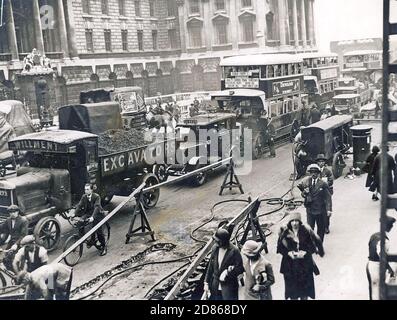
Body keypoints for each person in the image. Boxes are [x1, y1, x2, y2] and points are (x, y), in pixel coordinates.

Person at [277, 211, 324, 300]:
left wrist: (305, 253)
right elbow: (280, 248)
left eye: (296, 221)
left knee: (304, 292)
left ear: (300, 222)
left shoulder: (305, 231)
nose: (294, 223)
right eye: (292, 221)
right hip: (290, 267)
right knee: (293, 293)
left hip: (304, 266)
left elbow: (312, 247)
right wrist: (288, 253)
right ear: (290, 222)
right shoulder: (285, 232)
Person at [204, 228, 244, 300]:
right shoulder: (215, 248)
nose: (215, 243)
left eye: (217, 241)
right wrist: (206, 283)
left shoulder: (234, 251)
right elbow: (210, 266)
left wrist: (227, 272)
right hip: (215, 286)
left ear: (223, 241)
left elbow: (240, 269)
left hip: (229, 286)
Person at [297, 164, 333, 242]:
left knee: (320, 228)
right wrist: (304, 193)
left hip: (320, 210)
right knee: (309, 228)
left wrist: (329, 209)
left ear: (318, 173)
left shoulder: (323, 183)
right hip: (310, 210)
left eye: (315, 172)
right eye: (312, 172)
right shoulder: (306, 182)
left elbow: (328, 197)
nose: (313, 174)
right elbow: (303, 194)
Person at [71, 184, 107, 256]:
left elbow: (97, 207)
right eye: (85, 189)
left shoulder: (96, 196)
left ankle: (104, 247)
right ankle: (85, 239)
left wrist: (93, 217)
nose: (86, 191)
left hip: (97, 214)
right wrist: (74, 214)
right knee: (79, 224)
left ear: (91, 190)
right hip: (88, 213)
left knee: (98, 231)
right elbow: (79, 205)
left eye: (87, 189)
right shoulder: (84, 196)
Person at [366, 216, 396, 300]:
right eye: (391, 225)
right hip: (375, 268)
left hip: (370, 265)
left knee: (373, 291)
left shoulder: (374, 235)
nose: (392, 226)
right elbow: (381, 255)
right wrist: (389, 269)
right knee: (377, 293)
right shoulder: (384, 240)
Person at [316, 154, 334, 234]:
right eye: (319, 161)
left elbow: (331, 180)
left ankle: (326, 226)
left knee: (327, 210)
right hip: (317, 194)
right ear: (317, 163)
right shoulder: (315, 171)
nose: (321, 163)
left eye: (322, 161)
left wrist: (324, 184)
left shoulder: (327, 171)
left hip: (326, 193)